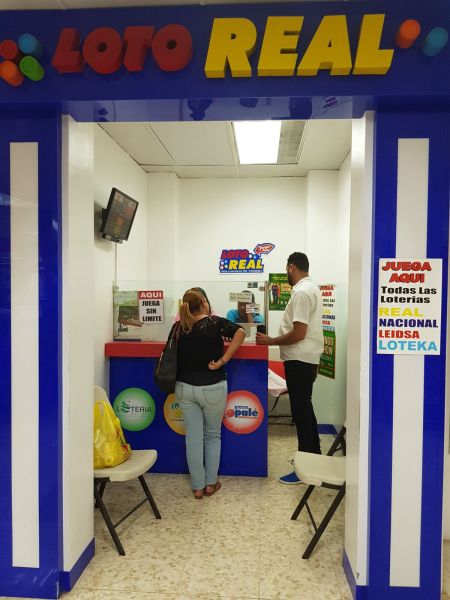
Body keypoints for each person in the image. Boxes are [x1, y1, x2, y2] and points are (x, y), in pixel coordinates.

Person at [256, 252, 324, 484]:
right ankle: (313, 456)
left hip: (299, 360)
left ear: (291, 267)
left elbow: (299, 333)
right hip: (306, 359)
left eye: (287, 269)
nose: (286, 273)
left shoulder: (302, 292)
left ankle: (306, 468)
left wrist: (271, 341)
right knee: (305, 409)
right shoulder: (311, 289)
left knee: (301, 412)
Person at [175, 289, 246, 499]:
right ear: (204, 303)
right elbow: (241, 332)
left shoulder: (179, 327)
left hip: (184, 388)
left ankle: (197, 487)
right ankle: (210, 484)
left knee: (193, 438)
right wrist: (223, 360)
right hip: (213, 387)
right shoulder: (216, 323)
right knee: (213, 436)